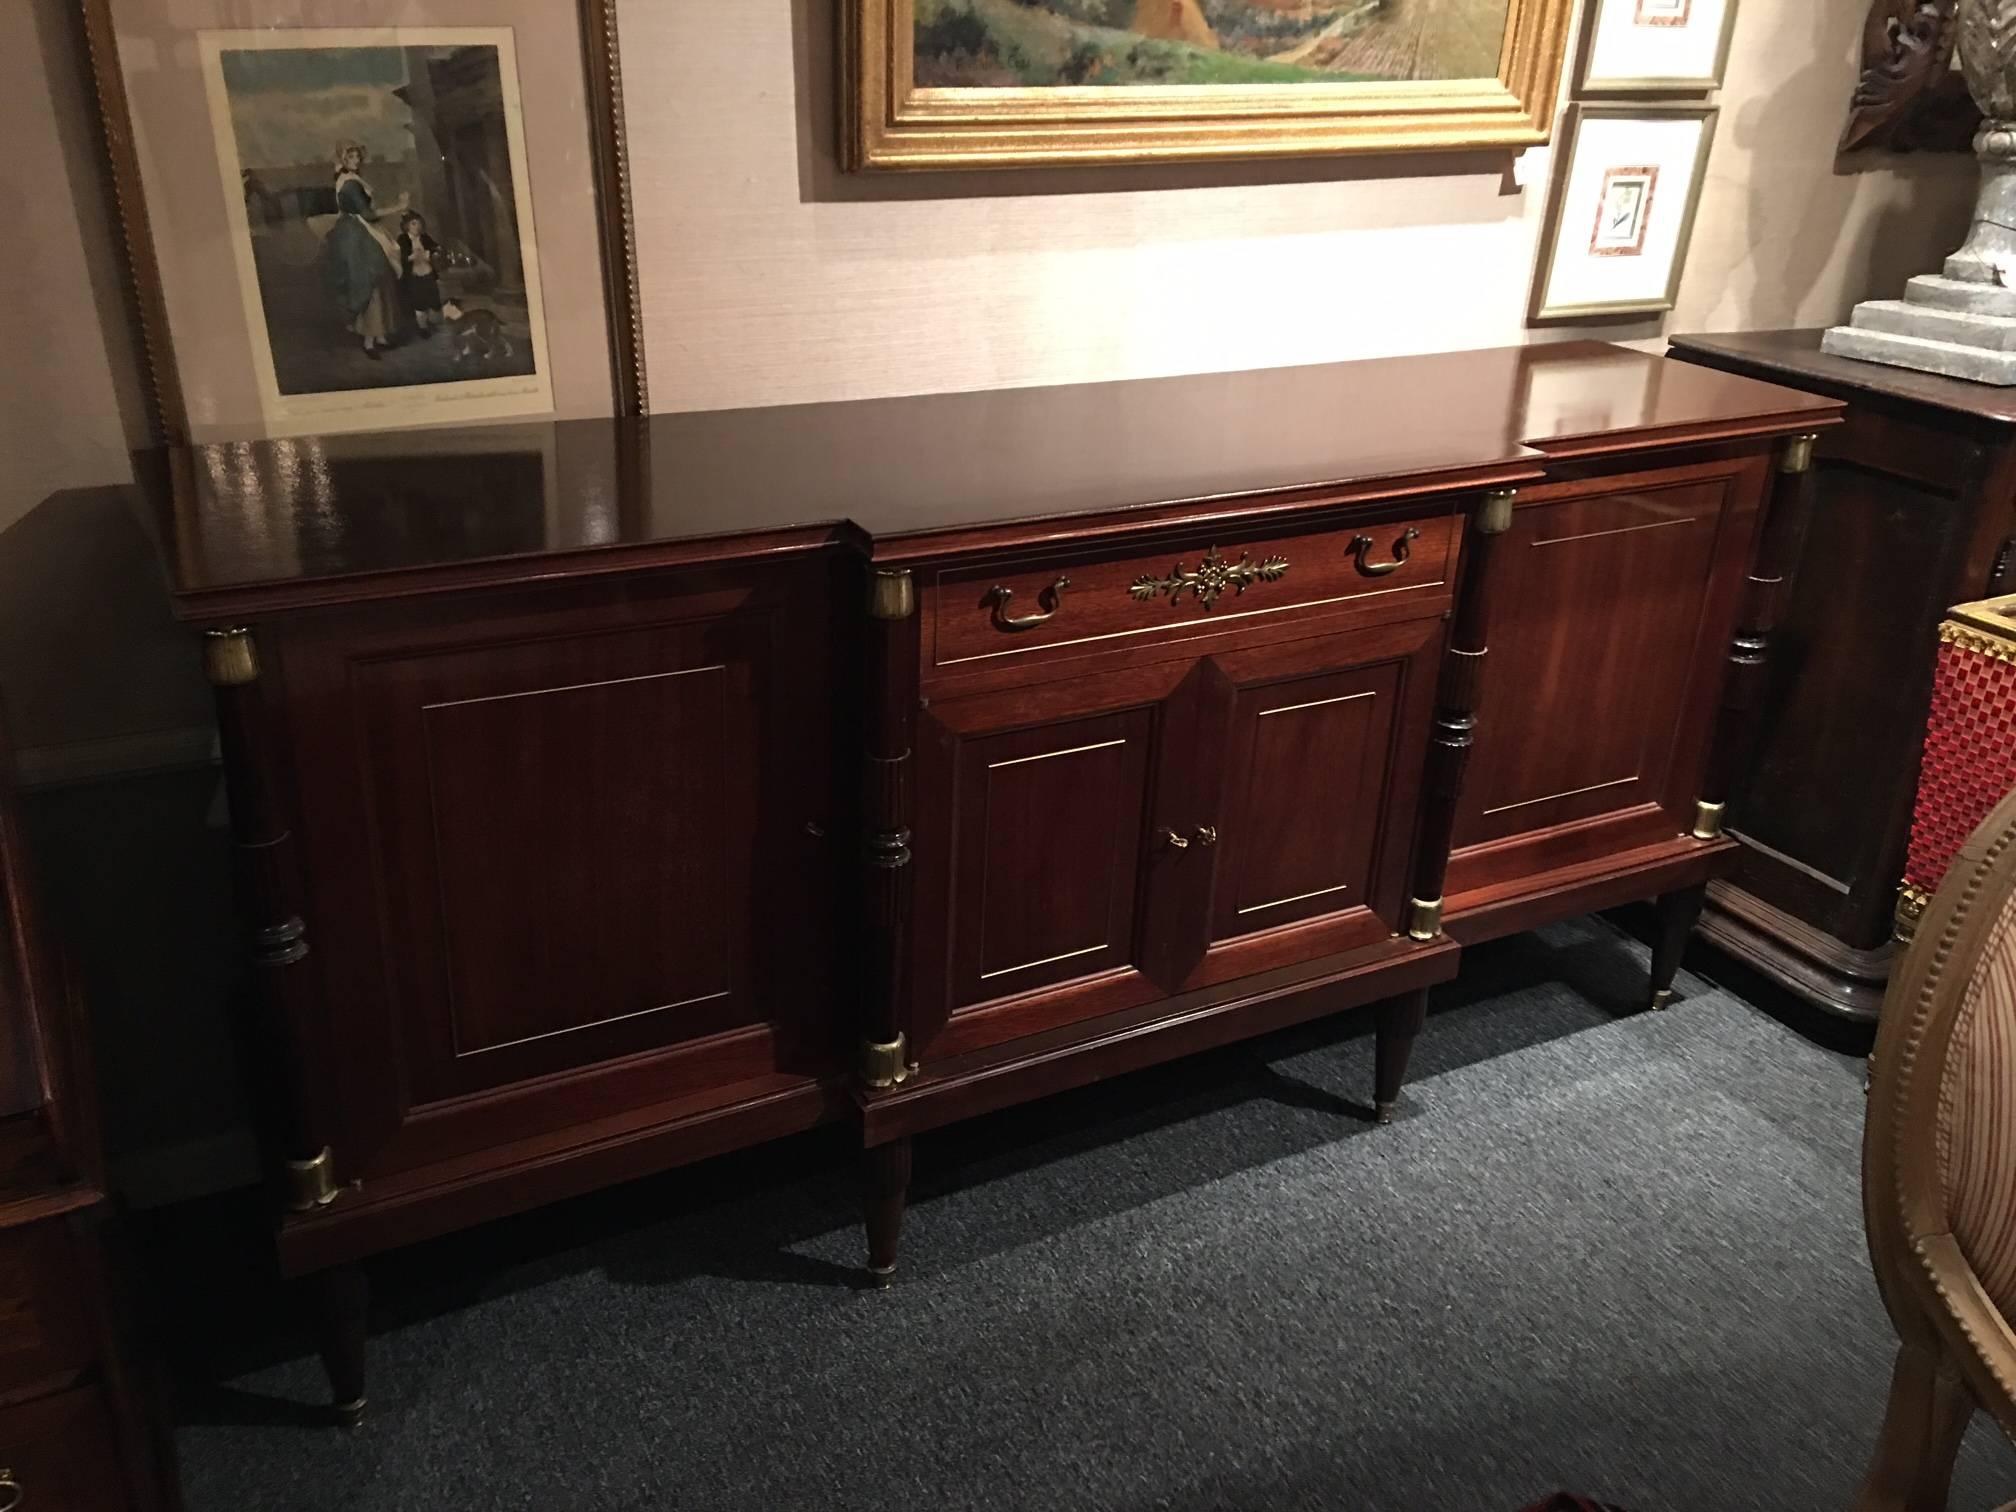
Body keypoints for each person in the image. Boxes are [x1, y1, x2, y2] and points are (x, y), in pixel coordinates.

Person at [319, 144, 406, 360]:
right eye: (351, 157)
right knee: (370, 280)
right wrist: (399, 206)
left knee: (381, 278)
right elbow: (368, 215)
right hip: (358, 235)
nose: (356, 160)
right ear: (343, 159)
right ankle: (369, 341)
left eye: (358, 156)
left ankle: (381, 336)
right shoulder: (349, 184)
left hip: (360, 232)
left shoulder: (351, 180)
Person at [397, 212, 447, 336]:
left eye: (419, 223)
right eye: (413, 223)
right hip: (414, 275)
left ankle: (431, 321)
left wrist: (434, 252)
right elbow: (400, 257)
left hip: (428, 272)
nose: (417, 226)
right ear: (406, 225)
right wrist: (412, 256)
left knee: (432, 299)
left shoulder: (424, 237)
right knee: (419, 302)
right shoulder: (402, 239)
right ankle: (422, 328)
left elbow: (436, 247)